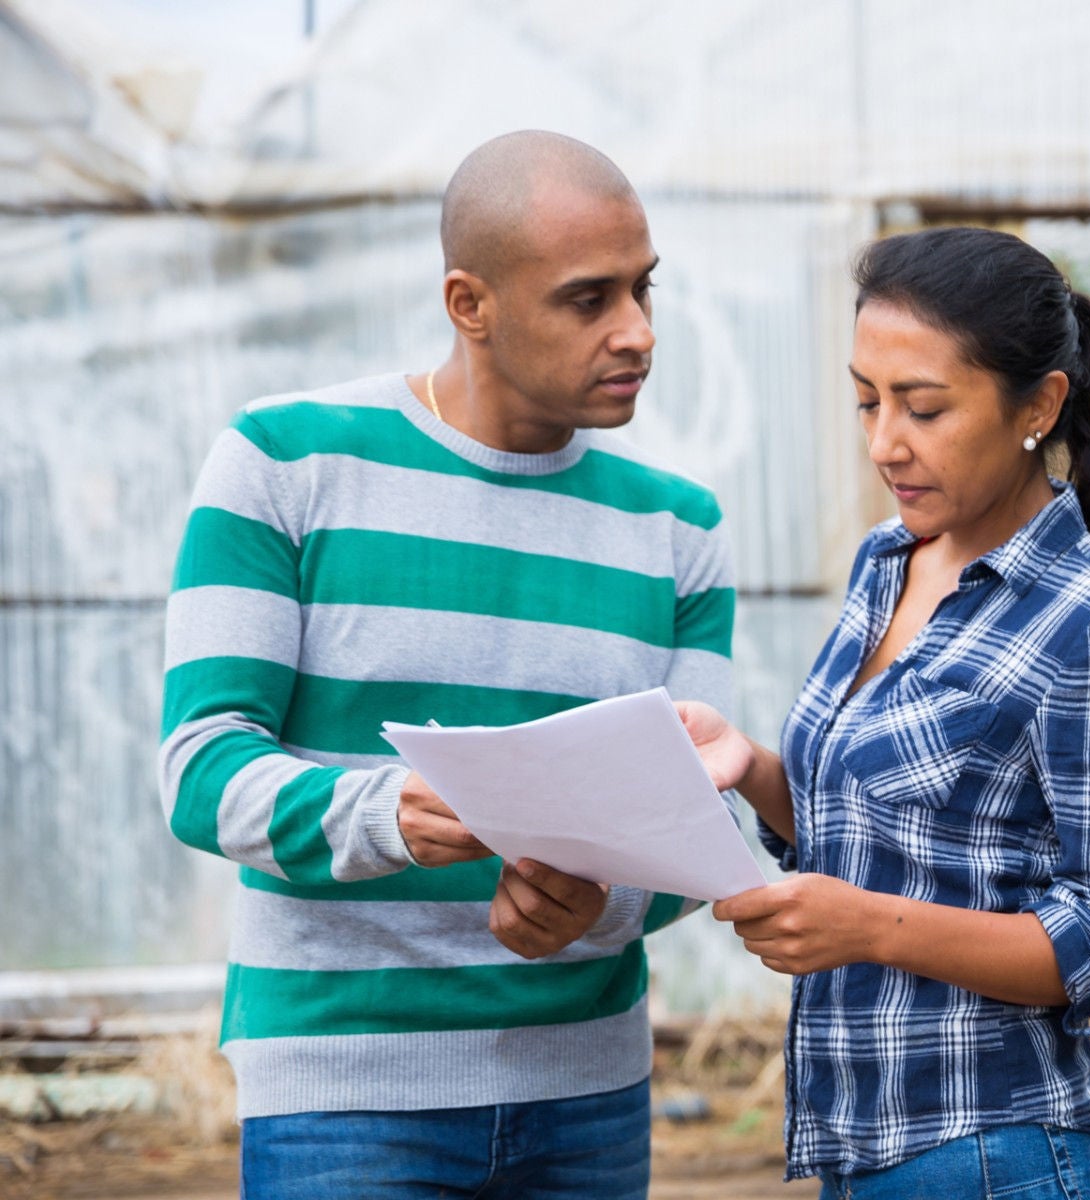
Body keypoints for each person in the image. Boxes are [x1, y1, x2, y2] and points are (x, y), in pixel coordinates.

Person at [159, 130, 733, 1199]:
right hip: (342, 1096)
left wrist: (601, 900)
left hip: (590, 1100)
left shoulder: (678, 528)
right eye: (589, 299)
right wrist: (387, 817)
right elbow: (200, 770)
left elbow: (702, 821)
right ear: (470, 304)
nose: (639, 333)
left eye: (644, 290)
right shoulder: (284, 465)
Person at [678, 226, 1090, 1197]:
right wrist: (749, 766)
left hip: (995, 1156)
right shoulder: (888, 564)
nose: (884, 443)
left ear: (1039, 405)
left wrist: (870, 928)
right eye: (867, 401)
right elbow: (877, 834)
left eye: (923, 408)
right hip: (858, 1157)